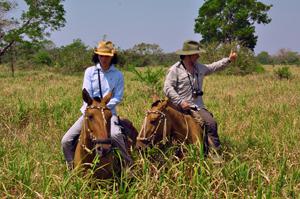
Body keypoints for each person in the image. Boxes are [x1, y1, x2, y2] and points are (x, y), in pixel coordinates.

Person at [61, 40, 133, 169]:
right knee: (66, 140)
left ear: (112, 57)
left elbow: (117, 97)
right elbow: (86, 92)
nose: (103, 59)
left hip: (107, 113)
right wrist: (94, 108)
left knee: (116, 135)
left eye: (106, 56)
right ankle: (71, 167)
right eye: (101, 56)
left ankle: (128, 165)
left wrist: (104, 108)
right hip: (91, 113)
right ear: (97, 56)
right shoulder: (90, 71)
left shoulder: (118, 75)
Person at [163, 40, 237, 160]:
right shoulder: (175, 70)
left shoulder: (199, 67)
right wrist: (180, 101)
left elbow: (213, 67)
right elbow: (167, 88)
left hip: (196, 106)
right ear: (188, 55)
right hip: (178, 107)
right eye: (196, 53)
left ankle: (215, 155)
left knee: (211, 123)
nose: (198, 56)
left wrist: (228, 60)